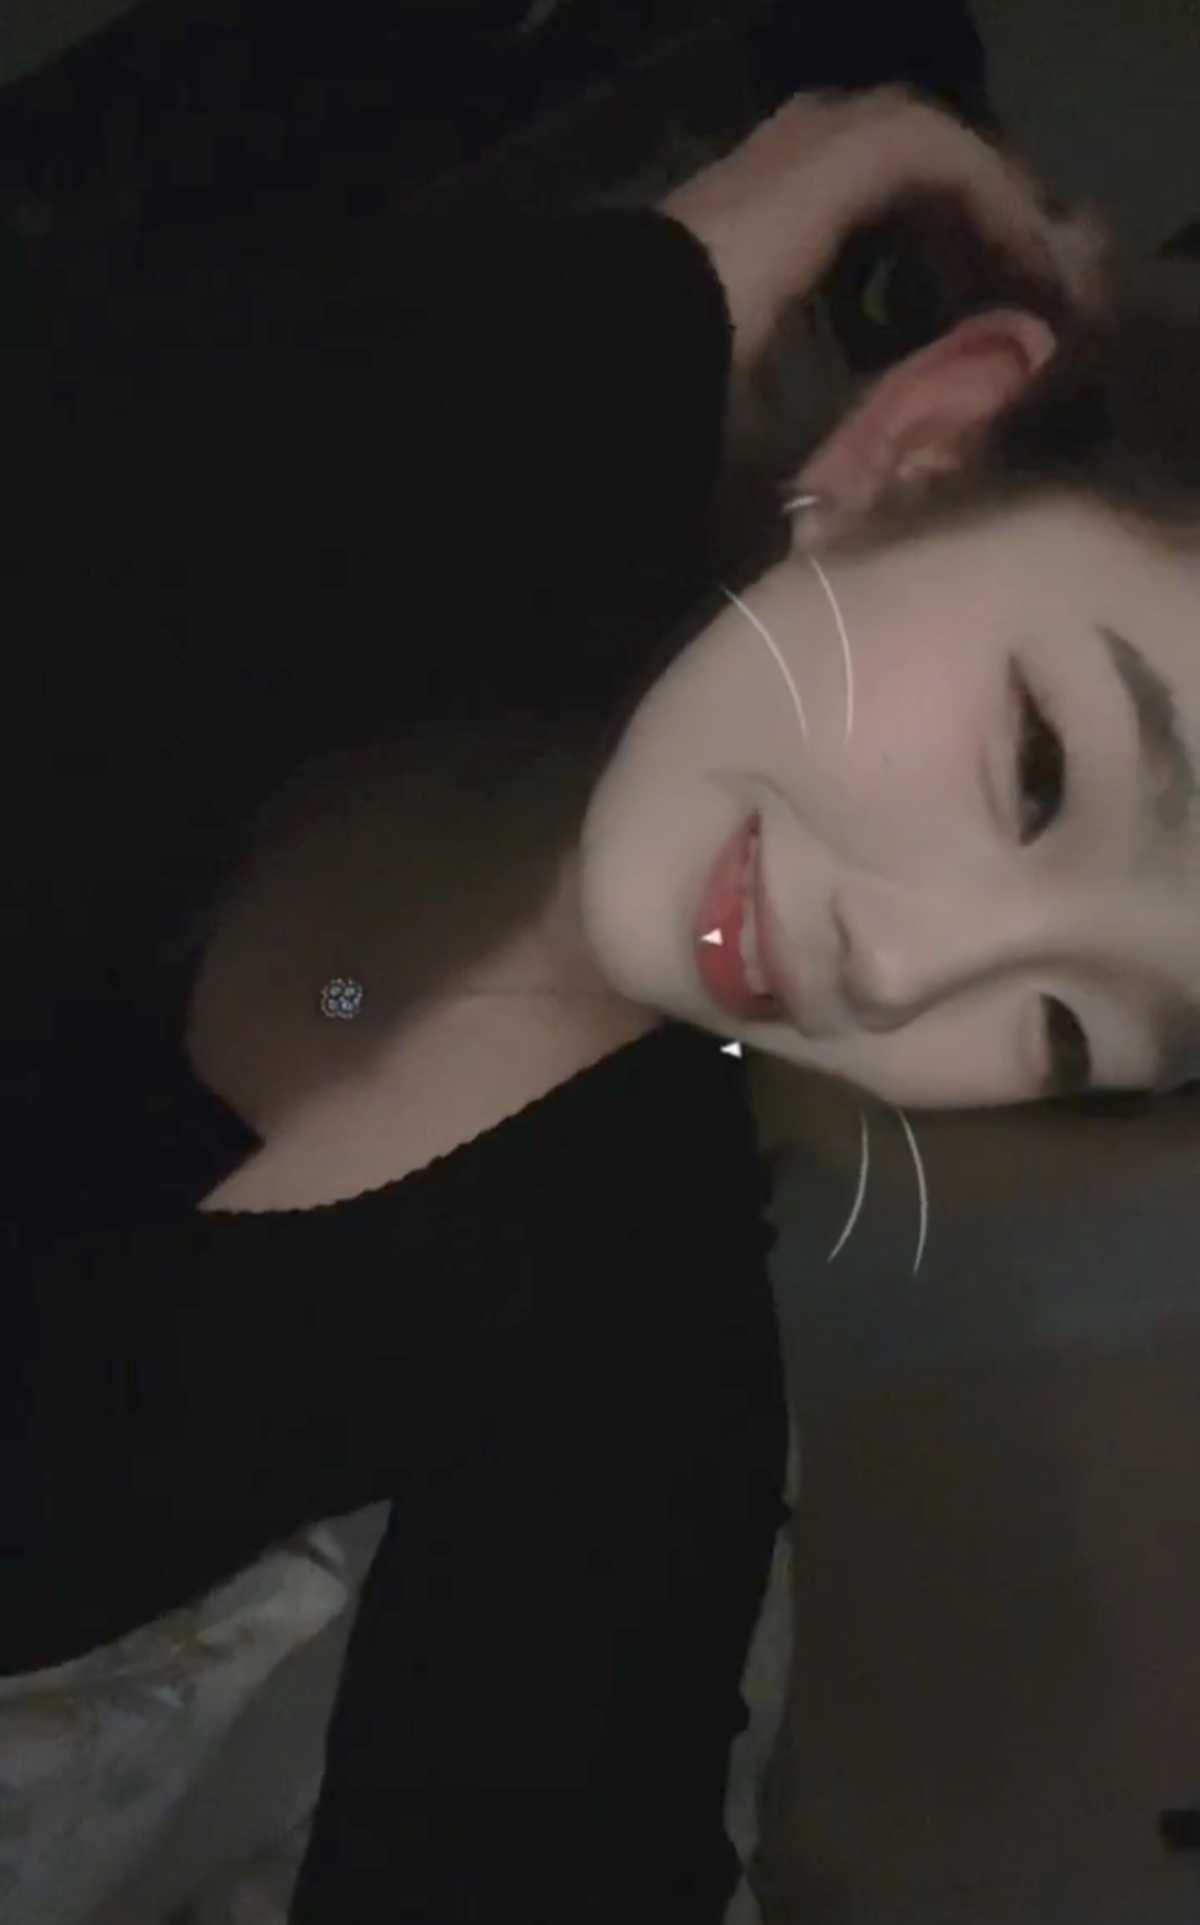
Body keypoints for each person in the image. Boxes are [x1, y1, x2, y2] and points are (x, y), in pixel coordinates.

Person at [2, 84, 1164, 1922]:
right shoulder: (265, 480)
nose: (909, 973)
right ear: (923, 445)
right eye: (1040, 769)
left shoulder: (636, 1396)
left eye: (1068, 1031)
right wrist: (694, 270)